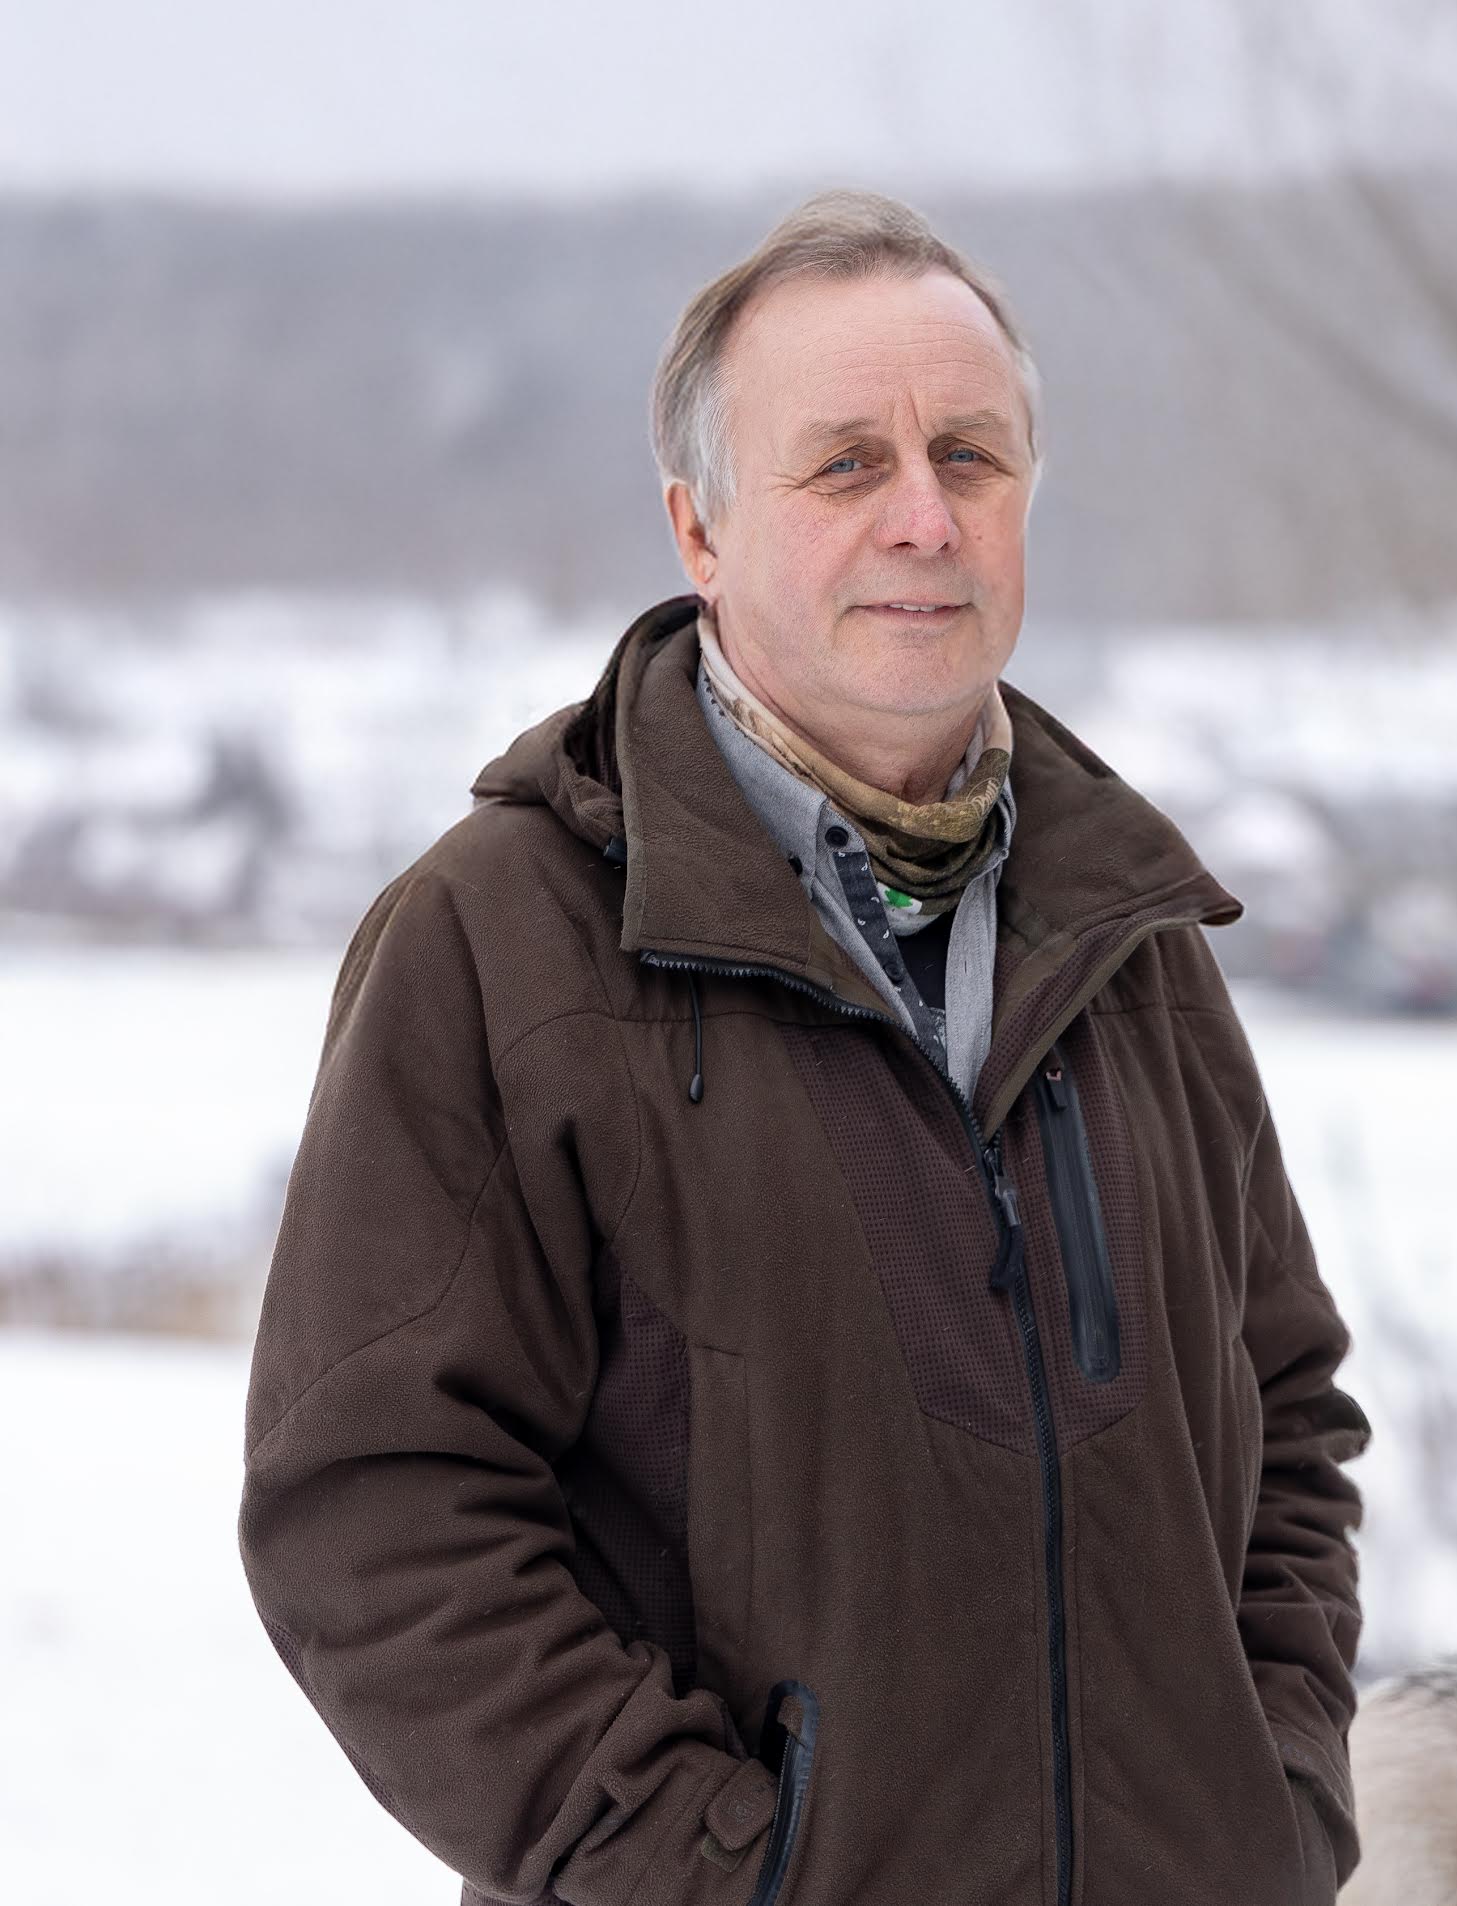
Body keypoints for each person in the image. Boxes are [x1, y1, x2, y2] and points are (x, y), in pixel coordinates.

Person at [238, 189, 1369, 1906]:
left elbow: (1284, 1412)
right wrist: (713, 1872)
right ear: (700, 529)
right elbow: (374, 1507)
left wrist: (1270, 1801)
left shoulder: (1128, 935)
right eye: (844, 465)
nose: (923, 516)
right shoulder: (507, 941)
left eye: (970, 458)